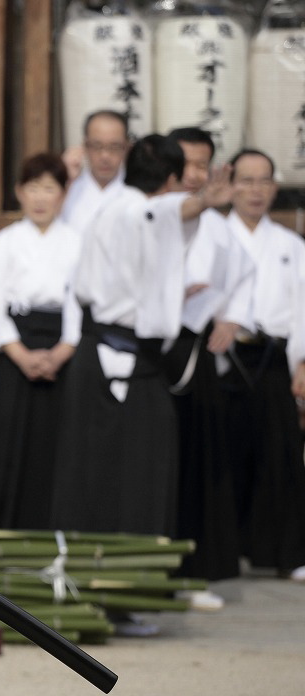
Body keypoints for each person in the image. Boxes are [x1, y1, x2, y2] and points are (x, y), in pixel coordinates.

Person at [51, 134, 232, 541]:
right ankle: (120, 568)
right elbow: (162, 213)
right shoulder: (138, 210)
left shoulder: (109, 210)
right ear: (170, 179)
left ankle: (87, 563)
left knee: (94, 466)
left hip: (101, 354)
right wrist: (203, 201)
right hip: (119, 356)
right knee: (136, 468)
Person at [163, 127, 255, 604]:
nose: (194, 174)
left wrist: (232, 318)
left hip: (194, 354)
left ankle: (192, 570)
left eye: (203, 165)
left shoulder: (218, 226)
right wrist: (169, 294)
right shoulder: (150, 212)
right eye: (186, 164)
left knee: (196, 462)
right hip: (149, 353)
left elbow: (245, 274)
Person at [0, 152, 81, 529]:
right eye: (33, 188)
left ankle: (52, 529)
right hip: (13, 349)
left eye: (49, 188)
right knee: (5, 440)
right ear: (19, 192)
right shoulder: (3, 243)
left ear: (64, 194)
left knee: (56, 443)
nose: (40, 198)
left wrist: (63, 351)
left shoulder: (78, 243)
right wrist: (20, 354)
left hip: (62, 350)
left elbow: (82, 302)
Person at [221, 149, 305, 582]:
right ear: (230, 185)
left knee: (280, 456)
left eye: (264, 181)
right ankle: (225, 551)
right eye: (247, 180)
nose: (256, 191)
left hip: (273, 356)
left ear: (275, 187)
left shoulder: (291, 245)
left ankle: (285, 554)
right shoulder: (215, 235)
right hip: (225, 355)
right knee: (224, 454)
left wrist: (302, 362)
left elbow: (302, 310)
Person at [60, 110, 129, 234]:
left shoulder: (137, 192)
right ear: (85, 146)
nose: (105, 156)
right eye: (97, 146)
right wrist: (64, 180)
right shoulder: (69, 188)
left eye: (114, 147)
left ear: (126, 147)